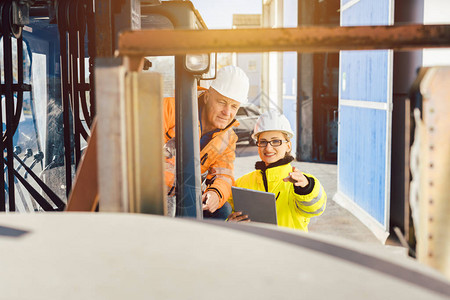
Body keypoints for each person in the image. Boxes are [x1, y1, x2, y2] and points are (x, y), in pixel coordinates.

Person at [164, 66, 250, 219]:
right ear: (206, 96)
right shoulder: (170, 109)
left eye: (234, 106)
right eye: (222, 102)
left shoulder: (228, 138)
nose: (227, 112)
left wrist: (215, 194)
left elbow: (224, 175)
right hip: (152, 192)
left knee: (223, 210)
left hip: (186, 196)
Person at [227, 112, 327, 231]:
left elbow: (315, 209)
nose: (268, 148)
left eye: (275, 141)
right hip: (255, 248)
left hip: (289, 248)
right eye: (263, 142)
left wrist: (306, 187)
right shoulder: (241, 183)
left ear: (288, 146)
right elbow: (224, 215)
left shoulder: (300, 184)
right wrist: (230, 223)